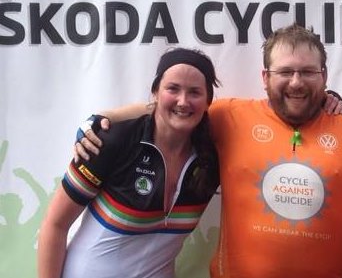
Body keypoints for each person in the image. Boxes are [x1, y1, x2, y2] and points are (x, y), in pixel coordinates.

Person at [73, 24, 342, 278]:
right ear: (265, 77)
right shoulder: (228, 116)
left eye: (307, 72)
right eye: (285, 72)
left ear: (324, 76)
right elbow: (173, 109)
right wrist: (103, 119)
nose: (297, 82)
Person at [37, 48, 222, 278]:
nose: (183, 101)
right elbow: (55, 225)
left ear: (208, 102)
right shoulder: (111, 141)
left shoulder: (211, 158)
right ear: (155, 92)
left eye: (195, 92)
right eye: (172, 88)